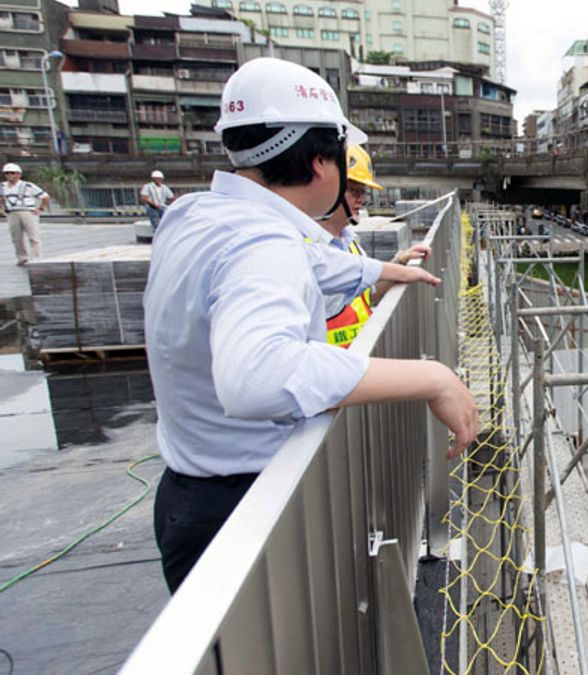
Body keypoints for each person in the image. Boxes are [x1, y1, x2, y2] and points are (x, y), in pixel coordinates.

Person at [143, 57, 479, 593]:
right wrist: (433, 377)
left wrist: (380, 271)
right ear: (323, 162)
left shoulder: (195, 216)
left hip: (192, 496)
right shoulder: (262, 243)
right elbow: (259, 376)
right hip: (246, 509)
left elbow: (310, 264)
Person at [315, 143, 431, 347]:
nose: (361, 200)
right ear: (330, 188)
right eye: (354, 191)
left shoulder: (349, 243)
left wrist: (399, 262)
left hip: (359, 364)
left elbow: (368, 293)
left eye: (363, 192)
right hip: (331, 371)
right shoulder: (312, 251)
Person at [3, 163, 50, 266]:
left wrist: (40, 208)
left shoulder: (28, 186)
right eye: (7, 173)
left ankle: (36, 258)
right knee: (16, 238)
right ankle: (22, 258)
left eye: (12, 173)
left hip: (27, 212)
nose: (9, 175)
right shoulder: (3, 186)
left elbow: (45, 196)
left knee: (33, 236)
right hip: (12, 213)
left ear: (19, 174)